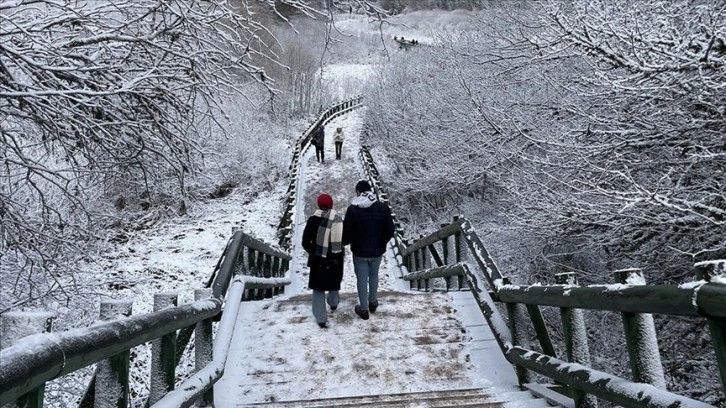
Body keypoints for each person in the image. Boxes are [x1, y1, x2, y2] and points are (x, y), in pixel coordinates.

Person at [342, 180, 395, 320]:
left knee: (361, 279)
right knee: (374, 275)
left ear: (358, 192)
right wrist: (382, 241)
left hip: (359, 251)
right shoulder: (382, 207)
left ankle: (363, 309)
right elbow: (390, 229)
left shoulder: (353, 209)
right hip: (377, 250)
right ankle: (373, 302)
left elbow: (347, 233)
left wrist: (342, 243)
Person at [302, 193, 344, 328]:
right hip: (335, 259)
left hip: (318, 260)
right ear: (331, 205)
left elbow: (304, 241)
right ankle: (333, 302)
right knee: (333, 281)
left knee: (318, 287)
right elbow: (344, 239)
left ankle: (320, 318)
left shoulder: (312, 220)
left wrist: (314, 251)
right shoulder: (338, 220)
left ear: (319, 205)